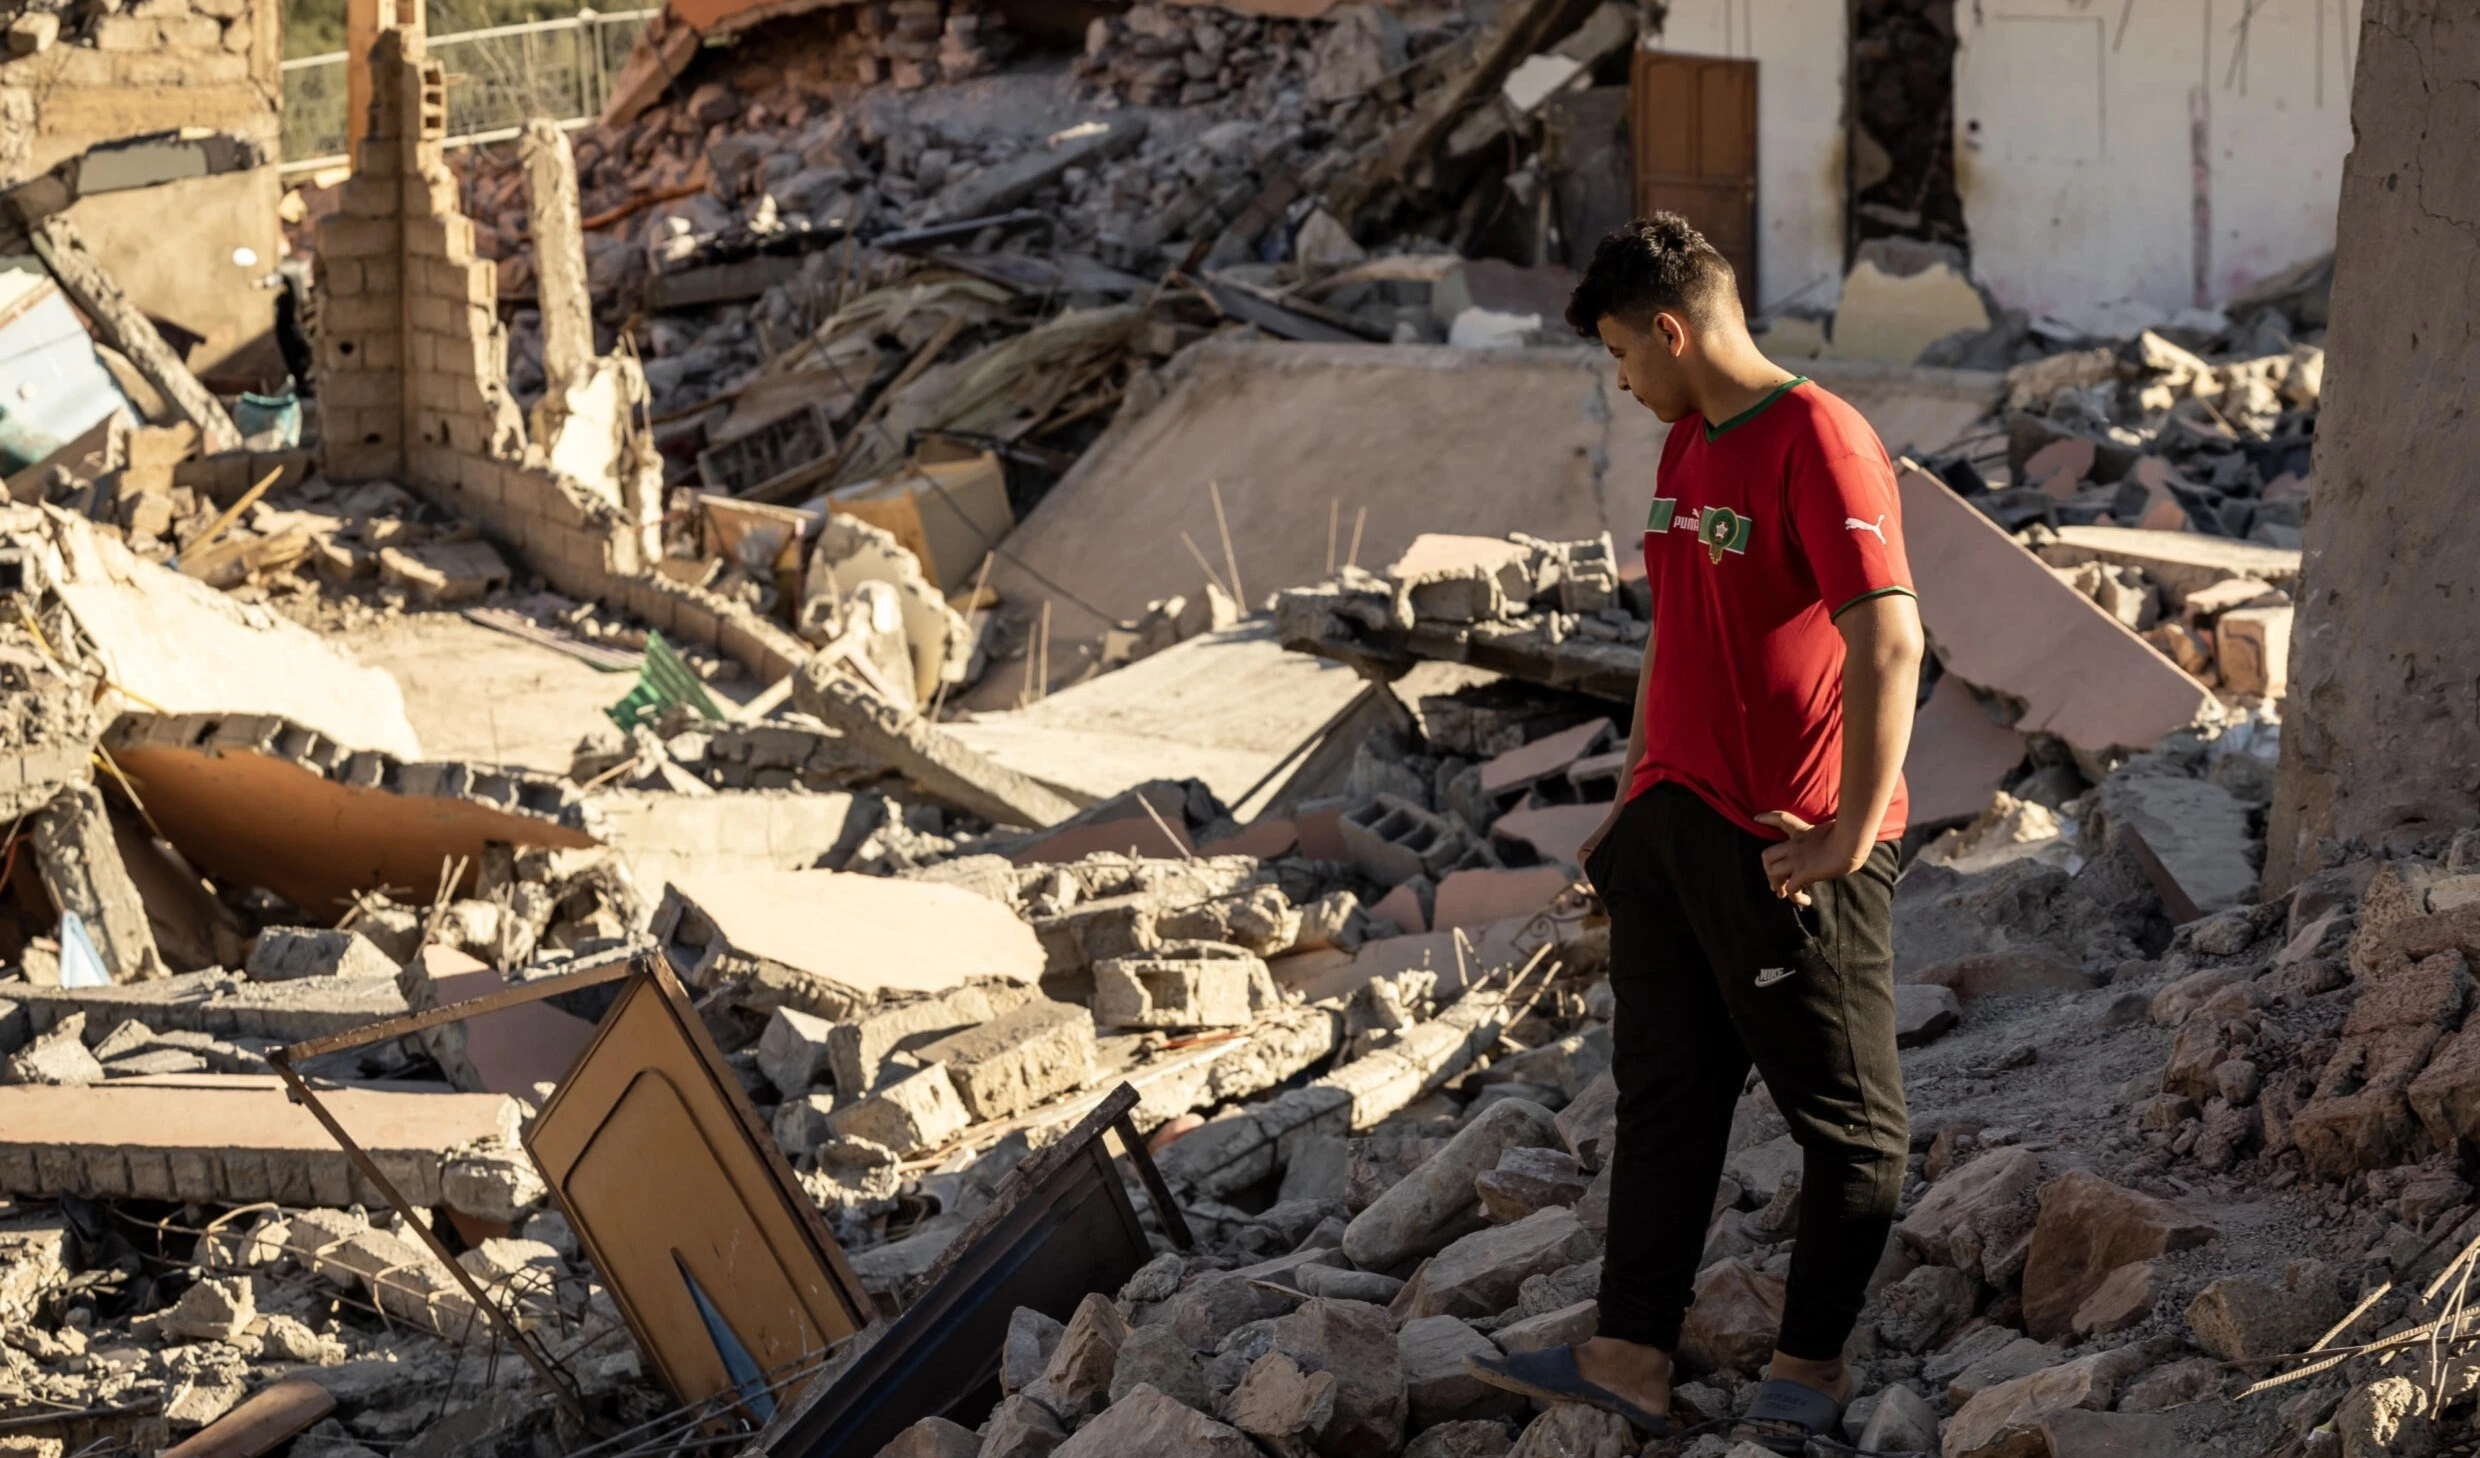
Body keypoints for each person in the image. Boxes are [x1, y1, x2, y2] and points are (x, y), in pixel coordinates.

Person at [1465, 214, 1925, 1455]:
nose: (1618, 383)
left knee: (1847, 1124)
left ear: (1669, 329)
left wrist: (1844, 829)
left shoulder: (1819, 439)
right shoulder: (1682, 446)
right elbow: (1670, 630)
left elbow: (1888, 637)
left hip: (1780, 839)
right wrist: (1627, 804)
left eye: (1621, 354)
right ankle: (1627, 1355)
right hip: (1670, 830)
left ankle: (1810, 1366)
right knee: (1663, 1099)